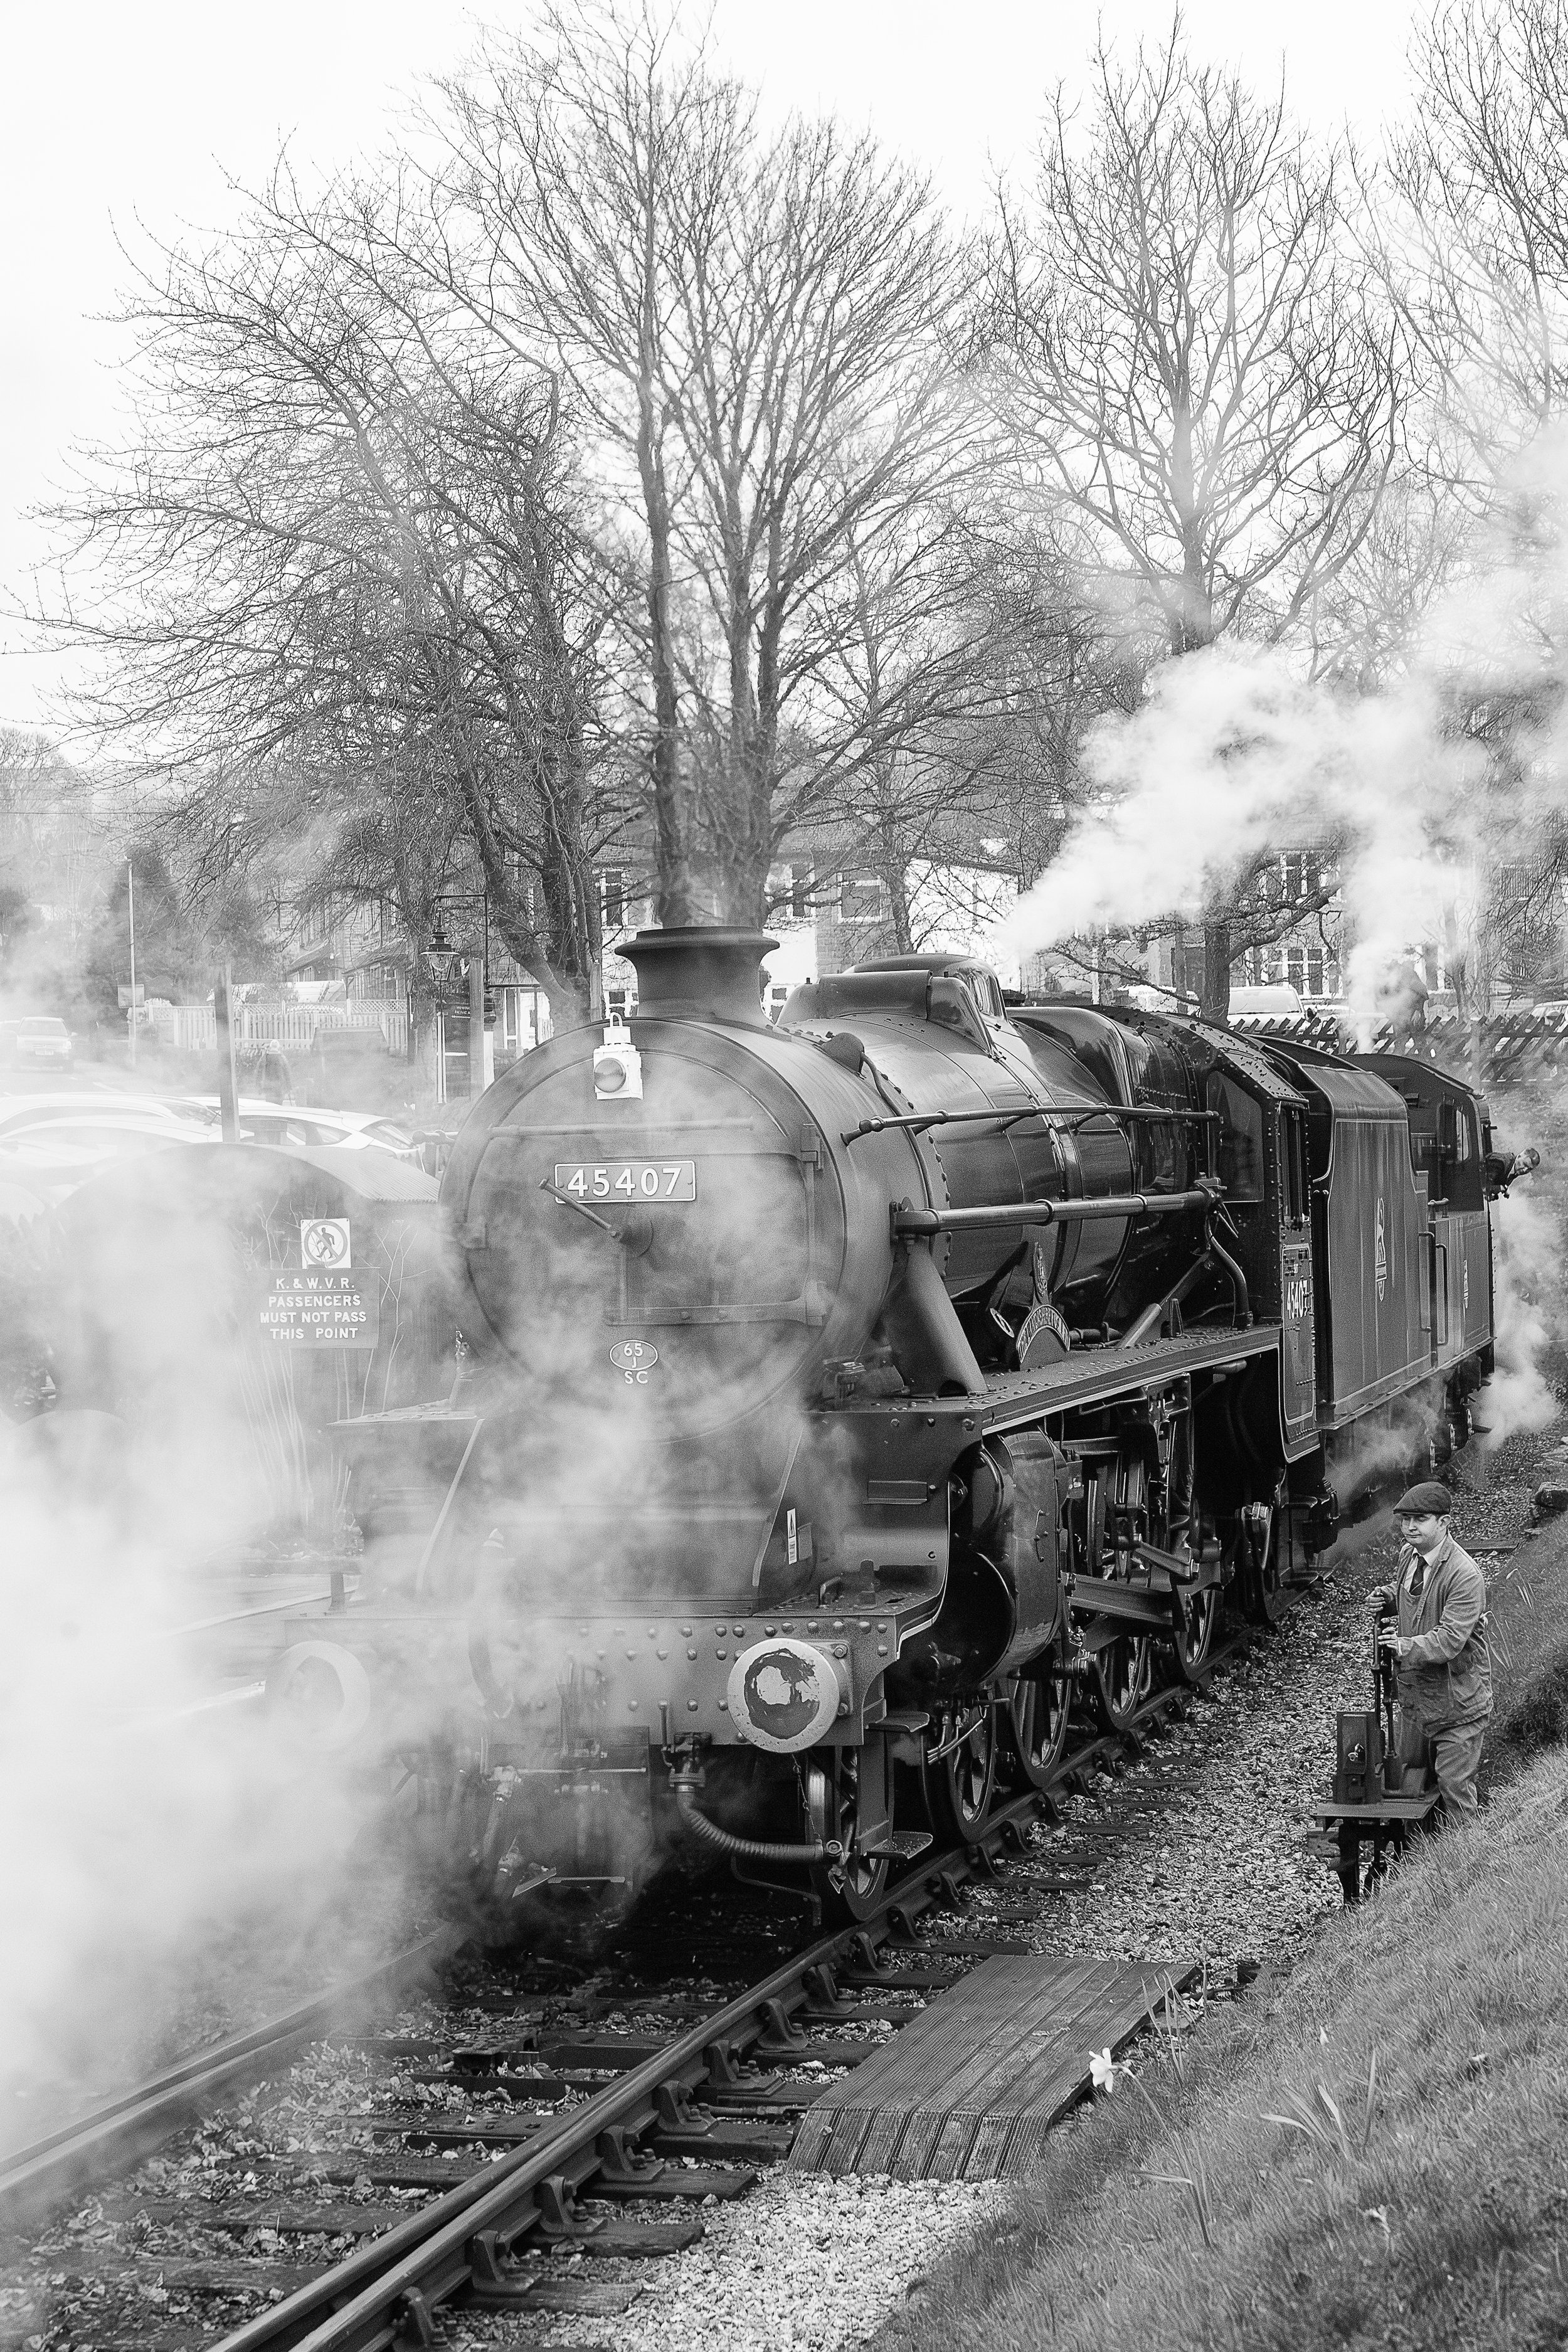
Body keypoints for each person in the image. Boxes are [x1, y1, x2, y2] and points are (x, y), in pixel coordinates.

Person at [1370, 1481, 1492, 1826]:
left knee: (1455, 1793)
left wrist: (1404, 1647)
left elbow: (1450, 1639)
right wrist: (1389, 1598)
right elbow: (1415, 1600)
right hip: (1416, 1704)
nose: (1410, 1527)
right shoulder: (1408, 1558)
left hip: (1458, 1708)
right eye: (1405, 1519)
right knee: (1410, 1793)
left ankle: (1465, 1869)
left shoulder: (1465, 1576)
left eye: (1419, 1519)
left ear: (1444, 1523)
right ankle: (1416, 1869)